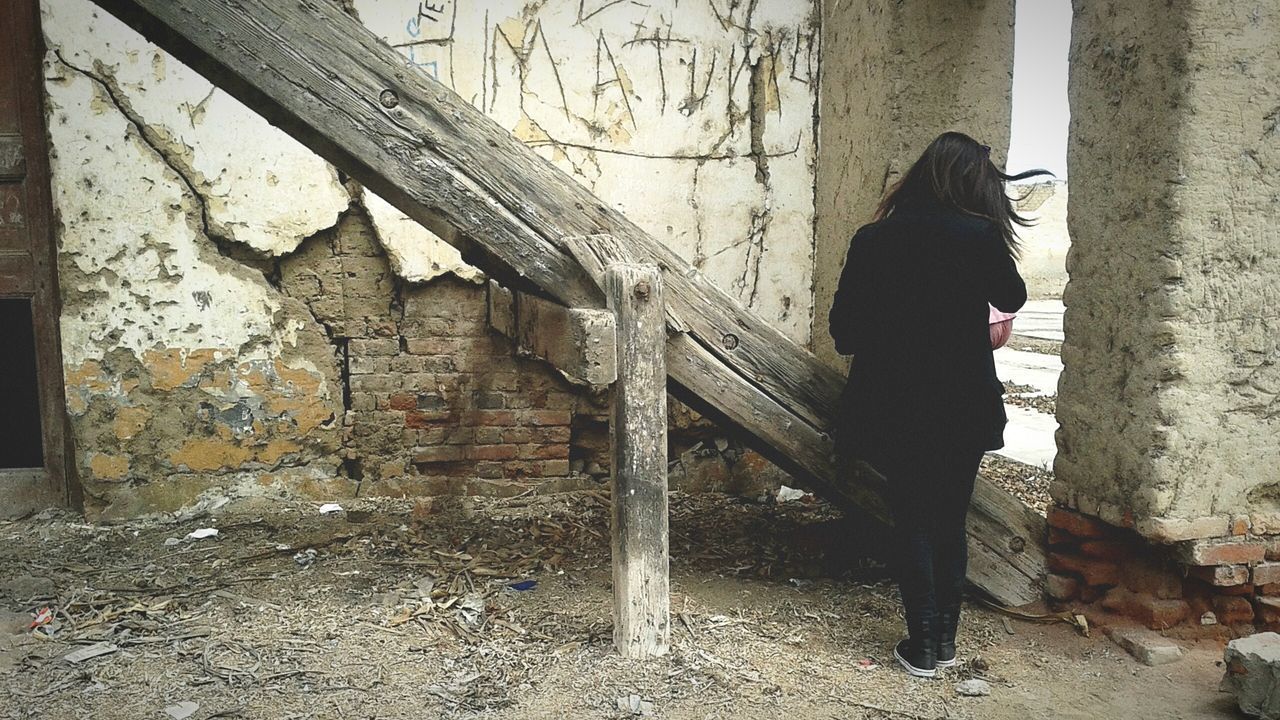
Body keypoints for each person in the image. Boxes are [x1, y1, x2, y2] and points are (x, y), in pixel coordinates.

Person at [828, 132, 1050, 678]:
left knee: (910, 519)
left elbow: (844, 333)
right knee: (948, 519)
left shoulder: (872, 239)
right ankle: (943, 643)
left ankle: (923, 645)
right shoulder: (979, 236)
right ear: (973, 183)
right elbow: (1015, 297)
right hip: (962, 404)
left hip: (892, 404)